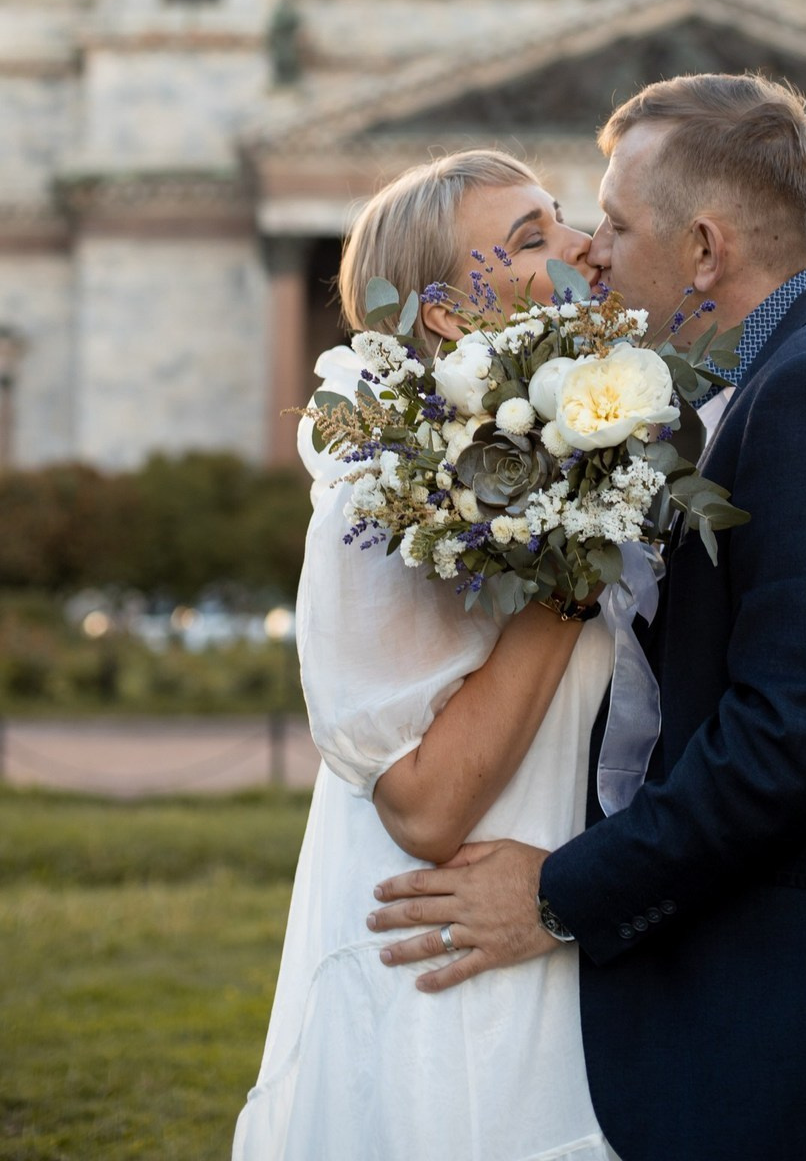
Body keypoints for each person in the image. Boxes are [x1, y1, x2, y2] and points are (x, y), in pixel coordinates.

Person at [371, 73, 806, 1161]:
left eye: (614, 224)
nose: (589, 251)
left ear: (703, 250)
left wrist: (556, 895)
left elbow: (790, 741)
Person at [234, 150, 620, 1161]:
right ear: (445, 314)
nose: (584, 243)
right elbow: (426, 807)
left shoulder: (593, 450)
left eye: (561, 217)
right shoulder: (383, 501)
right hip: (449, 972)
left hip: (562, 929)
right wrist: (573, 567)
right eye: (533, 238)